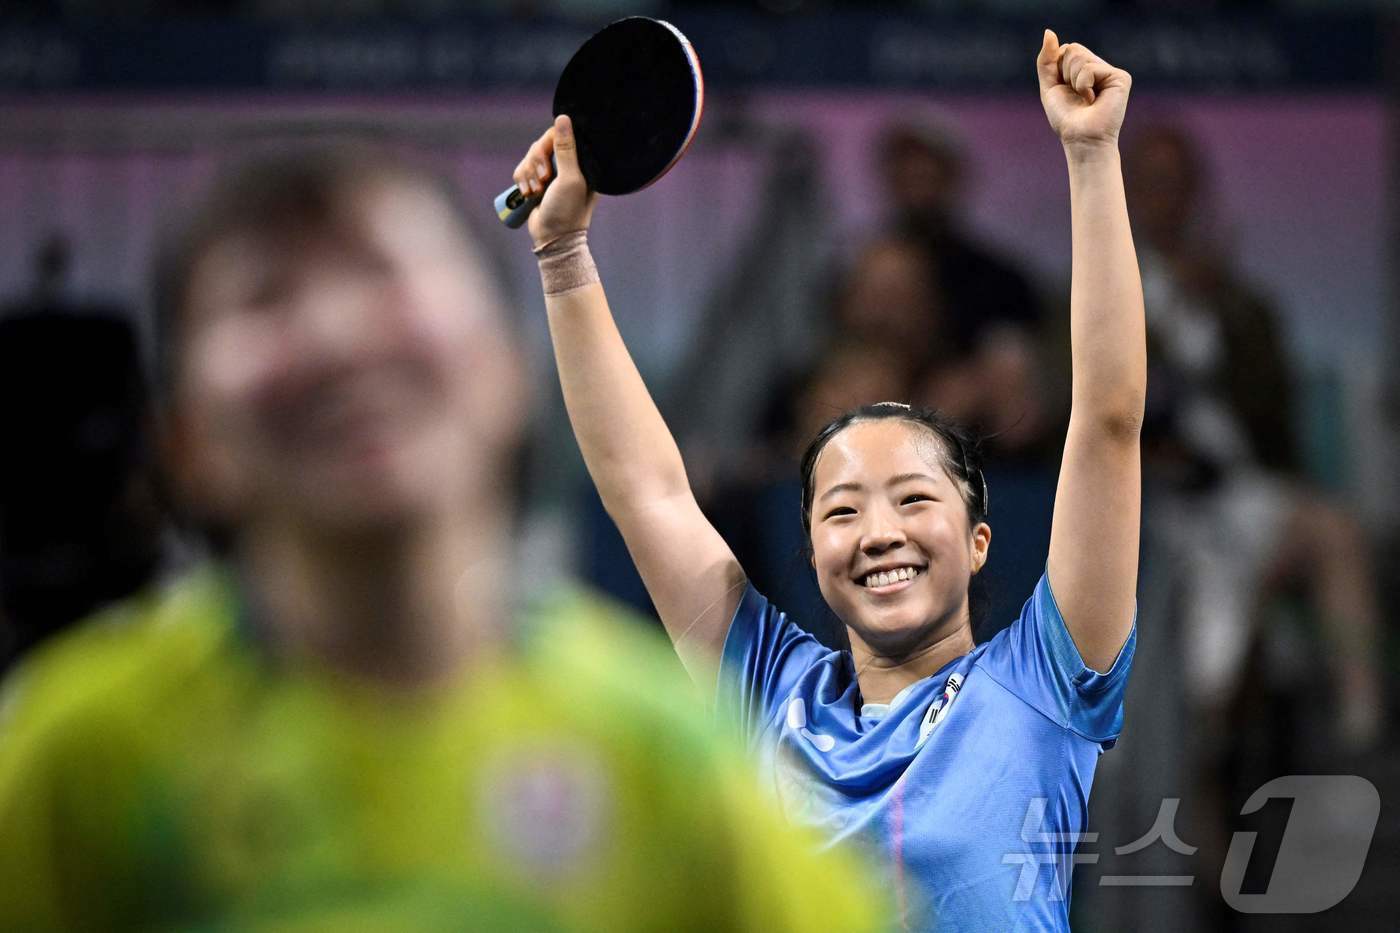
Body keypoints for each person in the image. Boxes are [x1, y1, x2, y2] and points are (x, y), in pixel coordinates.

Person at [0, 141, 887, 931]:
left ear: (505, 371)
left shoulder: (661, 752)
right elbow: (648, 491)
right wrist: (563, 250)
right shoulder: (72, 757)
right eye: (266, 297)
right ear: (185, 442)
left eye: (385, 276)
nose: (338, 336)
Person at [515, 29, 1141, 930]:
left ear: (979, 541)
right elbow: (645, 489)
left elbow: (1110, 421)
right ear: (811, 554)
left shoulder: (1046, 681)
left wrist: (1090, 155)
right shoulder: (768, 688)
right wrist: (562, 253)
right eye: (842, 509)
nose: (879, 530)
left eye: (914, 498)